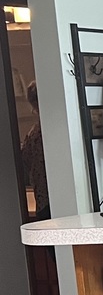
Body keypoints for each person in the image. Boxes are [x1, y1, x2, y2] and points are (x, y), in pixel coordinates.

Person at [19, 82, 47, 221]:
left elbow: (25, 159)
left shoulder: (34, 133)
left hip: (43, 199)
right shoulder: (39, 132)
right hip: (50, 197)